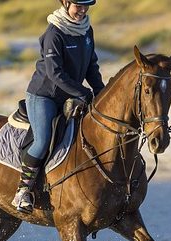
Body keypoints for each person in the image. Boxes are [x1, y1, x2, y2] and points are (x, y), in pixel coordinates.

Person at [12, 0, 105, 213]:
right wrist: (83, 92)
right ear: (65, 3)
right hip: (44, 95)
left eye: (86, 6)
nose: (82, 10)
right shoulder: (55, 33)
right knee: (43, 140)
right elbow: (55, 74)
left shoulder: (86, 30)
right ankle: (22, 191)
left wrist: (101, 91)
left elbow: (91, 66)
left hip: (71, 94)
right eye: (77, 6)